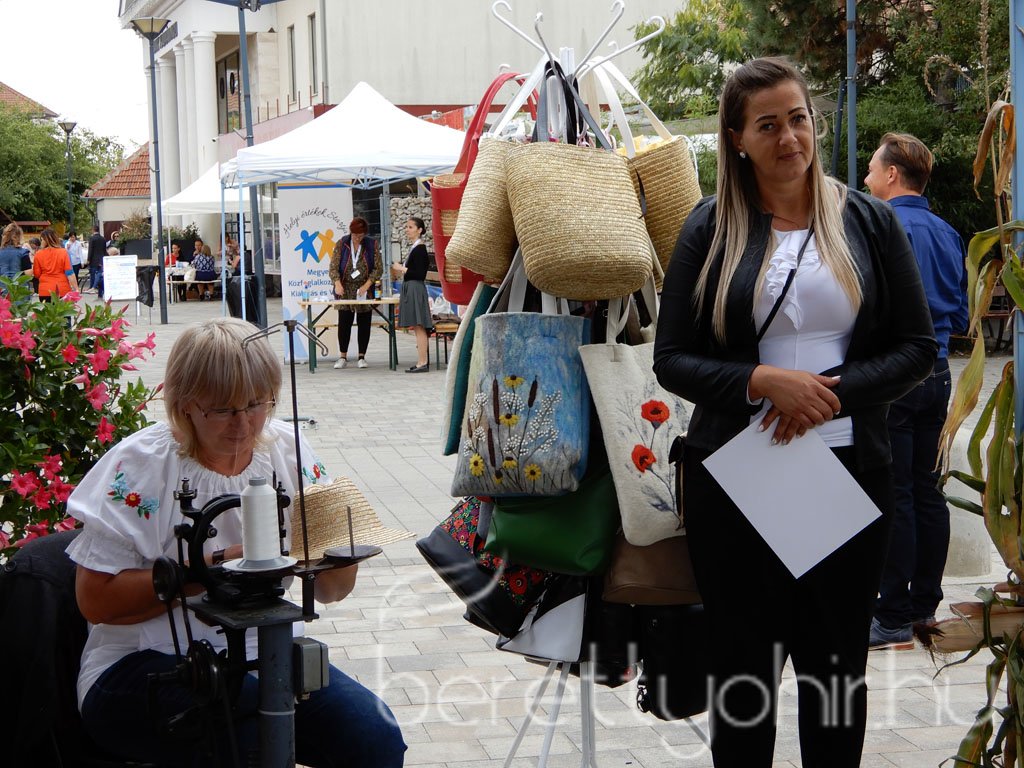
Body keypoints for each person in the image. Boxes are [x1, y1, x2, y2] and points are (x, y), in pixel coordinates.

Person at [652, 57, 936, 767]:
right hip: (739, 480)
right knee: (743, 674)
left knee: (836, 672)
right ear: (737, 137)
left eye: (799, 119)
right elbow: (671, 358)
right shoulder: (709, 227)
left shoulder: (867, 220)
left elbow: (918, 348)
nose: (789, 138)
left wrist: (827, 392)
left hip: (849, 473)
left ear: (815, 121)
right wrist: (761, 380)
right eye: (768, 125)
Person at [66, 317, 407, 767]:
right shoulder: (139, 468)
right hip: (140, 662)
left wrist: (333, 551)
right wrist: (211, 569)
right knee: (241, 734)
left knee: (372, 738)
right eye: (223, 410)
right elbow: (96, 601)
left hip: (265, 655)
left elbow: (333, 590)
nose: (243, 424)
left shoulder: (287, 451)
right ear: (185, 404)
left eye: (256, 404)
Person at [863, 132, 969, 649]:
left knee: (895, 492)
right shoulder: (948, 232)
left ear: (890, 175)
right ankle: (925, 605)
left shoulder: (881, 226)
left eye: (870, 169)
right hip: (941, 370)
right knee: (928, 491)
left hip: (896, 373)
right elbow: (963, 308)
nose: (864, 178)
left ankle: (893, 615)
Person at [328, 217, 381, 369]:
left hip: (364, 288)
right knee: (344, 322)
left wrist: (367, 284)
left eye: (361, 235)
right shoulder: (342, 243)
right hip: (345, 288)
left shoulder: (371, 244)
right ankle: (342, 356)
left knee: (364, 322)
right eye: (355, 235)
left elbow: (378, 268)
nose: (358, 238)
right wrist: (337, 283)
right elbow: (333, 267)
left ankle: (362, 356)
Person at [391, 217, 433, 372]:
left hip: (415, 287)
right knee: (417, 326)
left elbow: (420, 273)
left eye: (410, 227)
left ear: (419, 230)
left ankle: (423, 362)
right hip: (412, 287)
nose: (407, 229)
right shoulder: (415, 248)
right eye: (407, 227)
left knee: (419, 325)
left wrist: (401, 268)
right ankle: (421, 361)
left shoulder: (420, 249)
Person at [33, 227, 79, 301]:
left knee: (47, 312)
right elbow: (69, 273)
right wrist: (76, 288)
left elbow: (37, 274)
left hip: (45, 290)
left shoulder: (38, 254)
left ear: (45, 240)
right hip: (62, 289)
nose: (41, 242)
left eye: (42, 240)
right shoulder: (64, 252)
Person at [0, 223, 29, 291]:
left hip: (2, 288)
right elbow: (28, 272)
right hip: (19, 290)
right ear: (19, 236)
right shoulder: (24, 252)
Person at [87, 225, 106, 295]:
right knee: (100, 274)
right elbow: (104, 249)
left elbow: (90, 249)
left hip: (94, 260)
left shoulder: (92, 239)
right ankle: (100, 289)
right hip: (101, 259)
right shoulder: (103, 239)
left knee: (93, 274)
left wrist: (88, 259)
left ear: (93, 230)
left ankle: (92, 287)